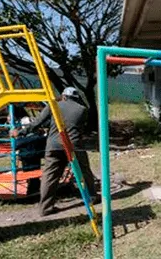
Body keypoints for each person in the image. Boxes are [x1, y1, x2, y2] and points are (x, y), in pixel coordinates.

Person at [11, 87, 99, 216]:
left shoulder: (54, 106)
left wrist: (19, 132)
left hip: (54, 145)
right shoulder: (82, 110)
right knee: (84, 171)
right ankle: (91, 196)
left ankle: (45, 208)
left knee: (50, 176)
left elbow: (37, 123)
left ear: (63, 96)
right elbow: (77, 127)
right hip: (73, 145)